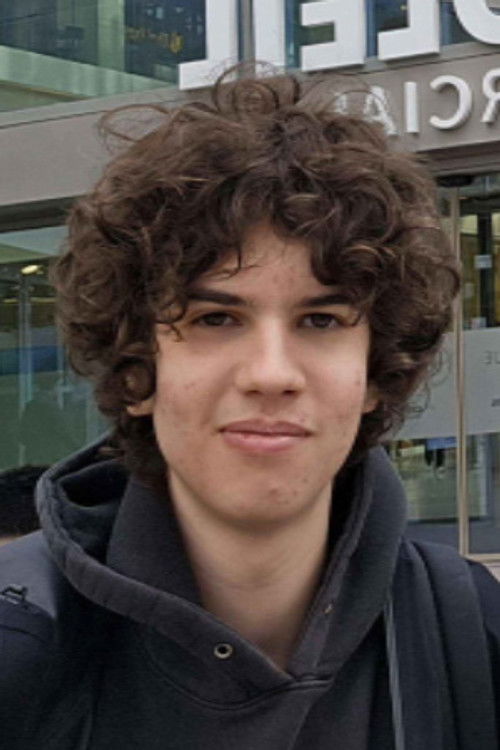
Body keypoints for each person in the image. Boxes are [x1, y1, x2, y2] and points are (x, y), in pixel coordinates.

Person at [1, 68, 499, 750]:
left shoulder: (471, 637)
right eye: (215, 318)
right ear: (138, 370)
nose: (271, 374)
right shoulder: (19, 641)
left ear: (376, 373)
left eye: (321, 320)